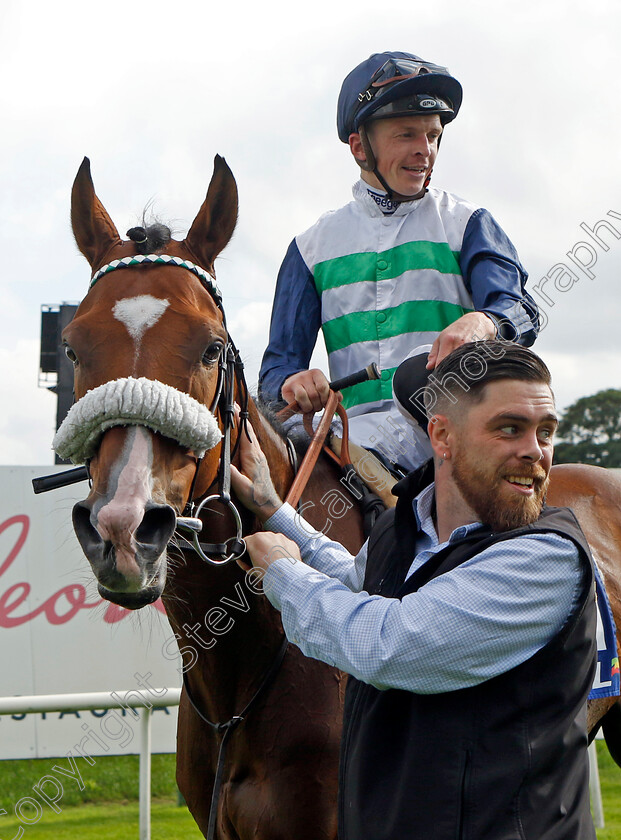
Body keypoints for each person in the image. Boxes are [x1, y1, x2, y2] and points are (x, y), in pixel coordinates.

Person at [232, 340, 597, 840]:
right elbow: (357, 580)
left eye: (545, 431)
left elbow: (388, 644)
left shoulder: (545, 558)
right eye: (509, 428)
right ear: (442, 436)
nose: (535, 450)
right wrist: (274, 511)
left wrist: (283, 574)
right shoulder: (400, 527)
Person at [258, 51, 541, 472]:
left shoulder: (469, 223)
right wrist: (290, 382)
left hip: (457, 442)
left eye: (433, 135)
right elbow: (277, 368)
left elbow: (521, 311)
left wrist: (483, 322)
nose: (424, 151)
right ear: (359, 147)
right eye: (406, 135)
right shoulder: (308, 248)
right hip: (350, 447)